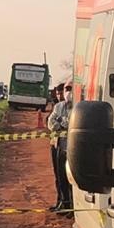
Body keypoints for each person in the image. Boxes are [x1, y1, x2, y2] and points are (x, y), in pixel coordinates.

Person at [48, 86, 73, 214]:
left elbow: (70, 123)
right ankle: (63, 203)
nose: (68, 93)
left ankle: (71, 206)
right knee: (60, 176)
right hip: (59, 145)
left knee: (71, 178)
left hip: (72, 148)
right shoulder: (58, 107)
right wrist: (61, 124)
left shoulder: (78, 107)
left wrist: (61, 122)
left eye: (71, 89)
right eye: (66, 90)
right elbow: (50, 122)